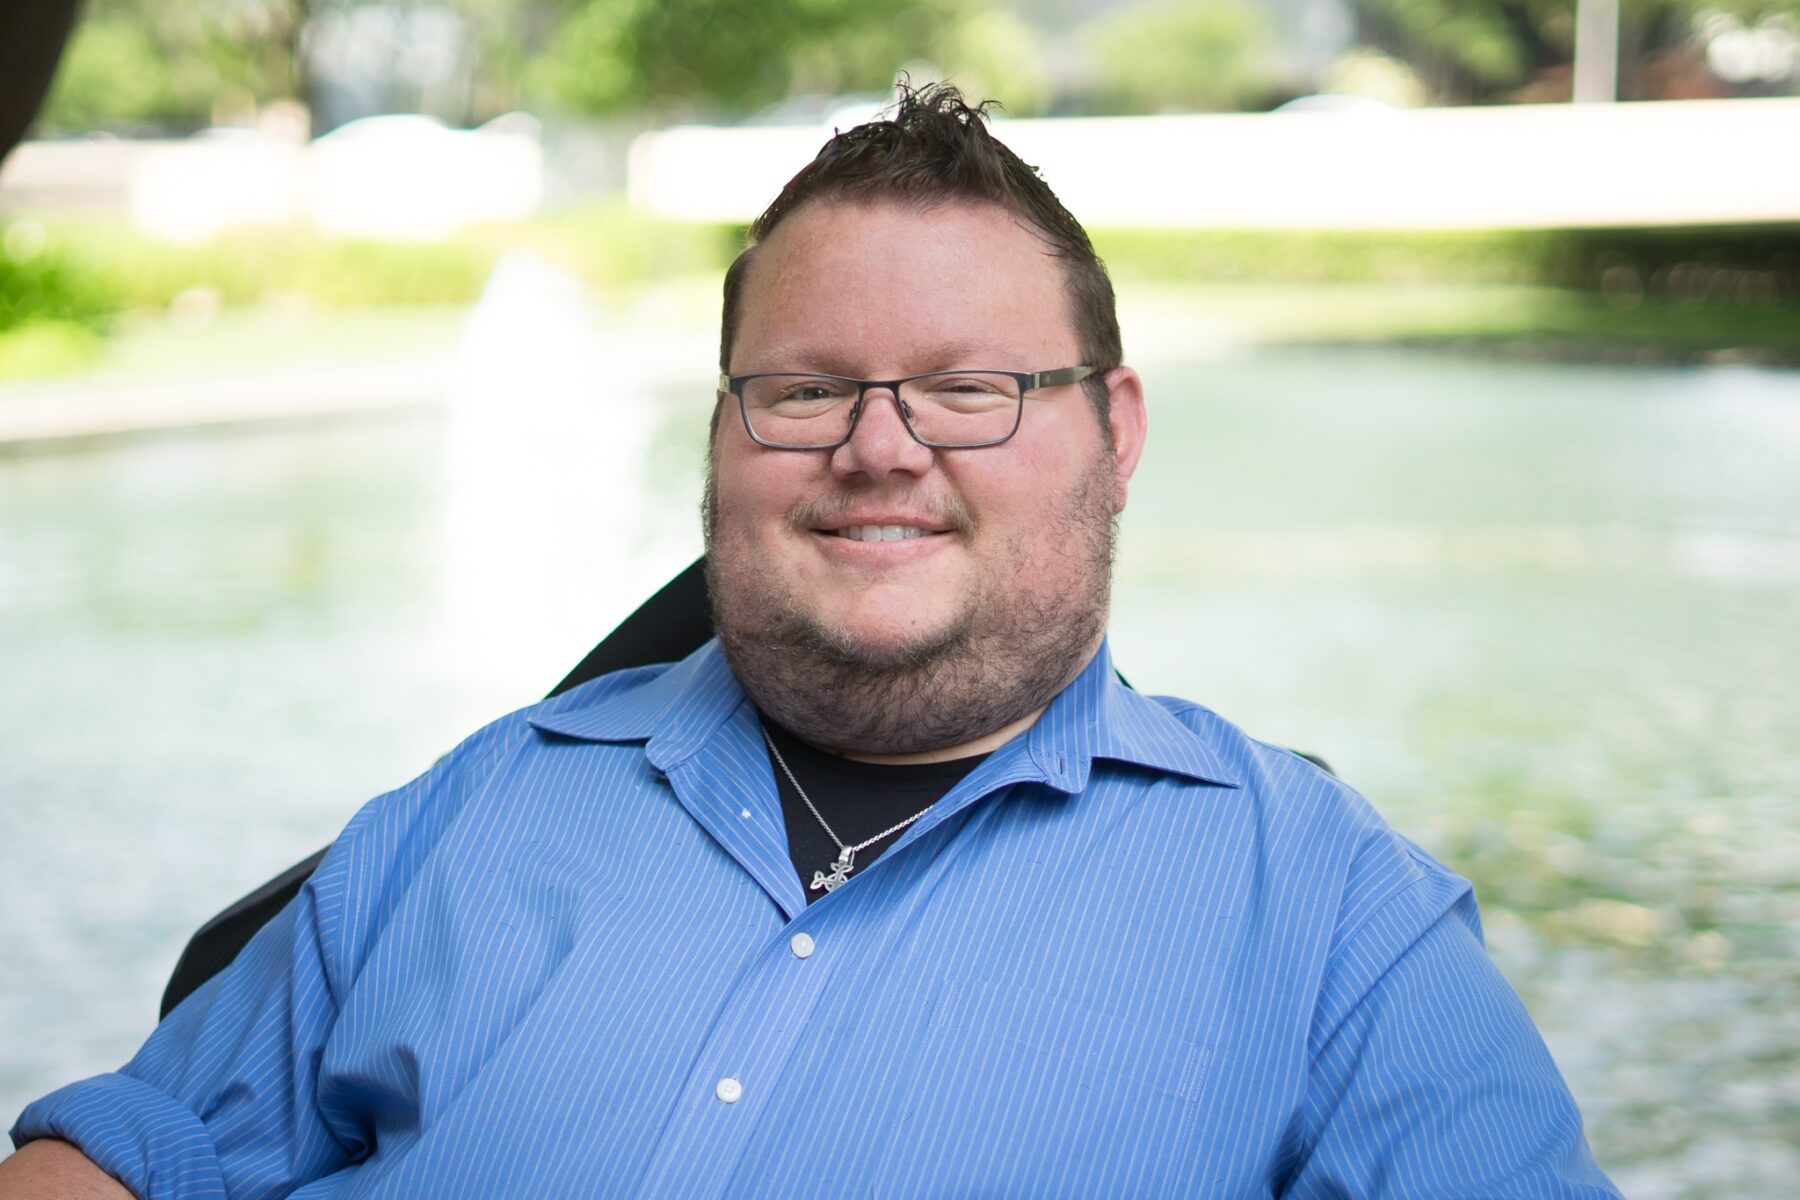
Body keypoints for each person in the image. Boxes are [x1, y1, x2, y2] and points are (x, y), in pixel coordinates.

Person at [3, 84, 1619, 1199]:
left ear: (1115, 432)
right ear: (725, 431)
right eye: (805, 389)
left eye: (972, 387)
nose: (879, 446)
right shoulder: (478, 803)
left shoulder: (1334, 915)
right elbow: (136, 1148)